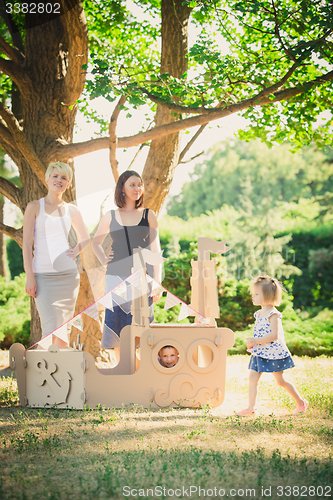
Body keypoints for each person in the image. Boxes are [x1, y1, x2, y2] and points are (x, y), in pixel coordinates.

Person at [92, 170, 162, 363]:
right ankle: (124, 370)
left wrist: (157, 282)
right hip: (115, 278)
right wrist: (103, 259)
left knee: (142, 325)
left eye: (139, 184)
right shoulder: (111, 216)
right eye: (132, 184)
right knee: (117, 326)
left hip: (142, 278)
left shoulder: (149, 215)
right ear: (122, 188)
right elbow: (95, 242)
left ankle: (141, 370)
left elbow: (156, 251)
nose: (137, 188)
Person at [23, 162, 89, 345]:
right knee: (50, 328)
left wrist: (74, 252)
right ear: (47, 179)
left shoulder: (72, 210)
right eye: (55, 176)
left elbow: (85, 237)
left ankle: (63, 372)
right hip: (42, 276)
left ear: (68, 184)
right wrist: (30, 277)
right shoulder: (34, 207)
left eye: (64, 178)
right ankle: (48, 372)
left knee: (64, 330)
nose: (59, 180)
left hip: (68, 277)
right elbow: (27, 244)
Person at [236, 276, 308, 416]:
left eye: (256, 294)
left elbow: (274, 335)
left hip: (274, 353)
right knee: (253, 378)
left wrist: (256, 340)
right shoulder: (259, 313)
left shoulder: (273, 315)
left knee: (280, 381)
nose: (253, 296)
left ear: (268, 297)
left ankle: (301, 402)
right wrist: (253, 342)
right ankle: (251, 408)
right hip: (260, 352)